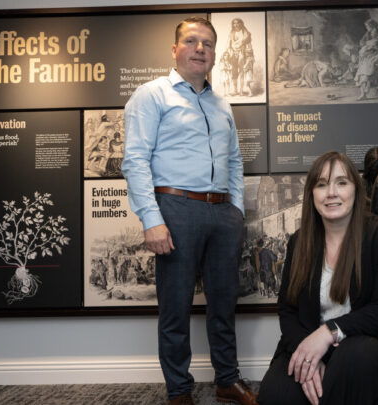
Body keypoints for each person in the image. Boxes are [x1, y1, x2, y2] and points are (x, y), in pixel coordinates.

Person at [121, 17, 256, 405]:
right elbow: (134, 161)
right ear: (174, 49)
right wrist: (153, 220)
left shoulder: (221, 103)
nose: (201, 49)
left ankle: (227, 379)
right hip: (175, 209)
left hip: (221, 214)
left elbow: (234, 162)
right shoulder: (152, 95)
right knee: (176, 308)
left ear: (215, 54)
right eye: (192, 41)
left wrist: (234, 212)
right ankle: (179, 390)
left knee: (224, 303)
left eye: (208, 44)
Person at [258, 151, 378, 405]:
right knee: (276, 394)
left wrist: (329, 331)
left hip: (369, 345)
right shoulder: (299, 241)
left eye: (341, 182)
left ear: (356, 188)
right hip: (310, 341)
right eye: (322, 184)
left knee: (351, 362)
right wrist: (311, 356)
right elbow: (287, 310)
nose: (331, 192)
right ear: (312, 193)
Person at [355, 19, 378, 100]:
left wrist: (369, 44)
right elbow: (361, 42)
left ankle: (365, 91)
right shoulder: (367, 33)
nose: (367, 27)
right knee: (361, 71)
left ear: (372, 25)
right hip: (368, 56)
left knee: (368, 69)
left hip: (377, 55)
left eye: (368, 26)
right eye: (366, 26)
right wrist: (367, 44)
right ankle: (363, 94)